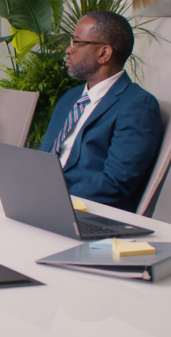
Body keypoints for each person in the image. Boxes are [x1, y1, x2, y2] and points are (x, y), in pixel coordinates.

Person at [38, 11, 162, 211]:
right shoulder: (70, 97)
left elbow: (115, 182)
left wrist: (56, 200)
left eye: (77, 42)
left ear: (104, 53)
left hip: (84, 211)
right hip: (42, 201)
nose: (69, 50)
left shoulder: (137, 105)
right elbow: (43, 156)